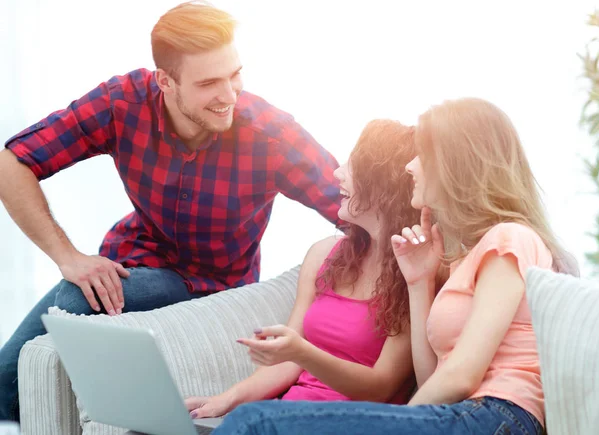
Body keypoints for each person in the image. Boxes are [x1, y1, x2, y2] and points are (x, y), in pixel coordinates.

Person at [0, 1, 343, 422]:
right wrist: (68, 257)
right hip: (135, 262)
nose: (229, 95)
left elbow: (356, 208)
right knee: (4, 380)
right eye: (210, 83)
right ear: (165, 81)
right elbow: (11, 163)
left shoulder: (270, 135)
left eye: (235, 75)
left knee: (75, 298)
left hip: (210, 286)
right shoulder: (123, 102)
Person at [210, 98, 579, 435]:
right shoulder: (465, 258)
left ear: (455, 164)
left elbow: (462, 377)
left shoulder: (510, 238)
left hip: (498, 415)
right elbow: (432, 377)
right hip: (465, 414)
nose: (410, 166)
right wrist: (419, 283)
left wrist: (400, 421)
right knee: (251, 419)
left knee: (254, 422)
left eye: (422, 154)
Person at [185, 120, 421, 418]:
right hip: (286, 415)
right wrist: (225, 400)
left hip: (355, 422)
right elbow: (287, 361)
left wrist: (301, 351)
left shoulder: (415, 273)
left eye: (354, 165)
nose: (338, 173)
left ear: (384, 183)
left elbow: (381, 388)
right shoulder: (325, 255)